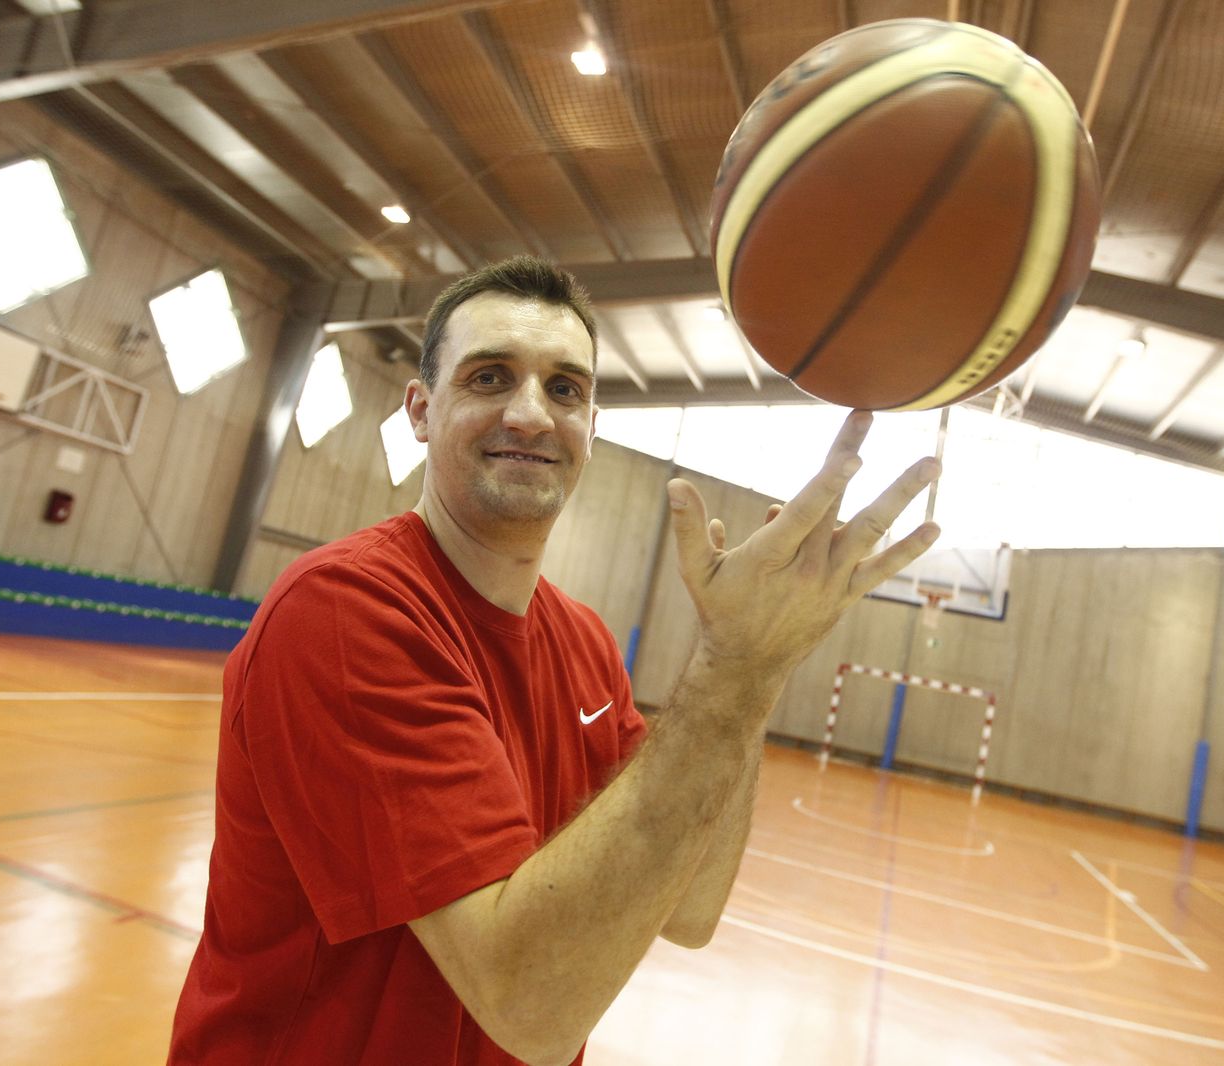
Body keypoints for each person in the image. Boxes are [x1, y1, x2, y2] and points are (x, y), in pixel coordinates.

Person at [168, 256, 942, 1065]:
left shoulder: (585, 642)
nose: (531, 415)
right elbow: (530, 1007)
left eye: (565, 388)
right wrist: (734, 665)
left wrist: (763, 667)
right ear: (421, 411)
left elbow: (691, 908)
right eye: (490, 377)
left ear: (591, 430)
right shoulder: (346, 609)